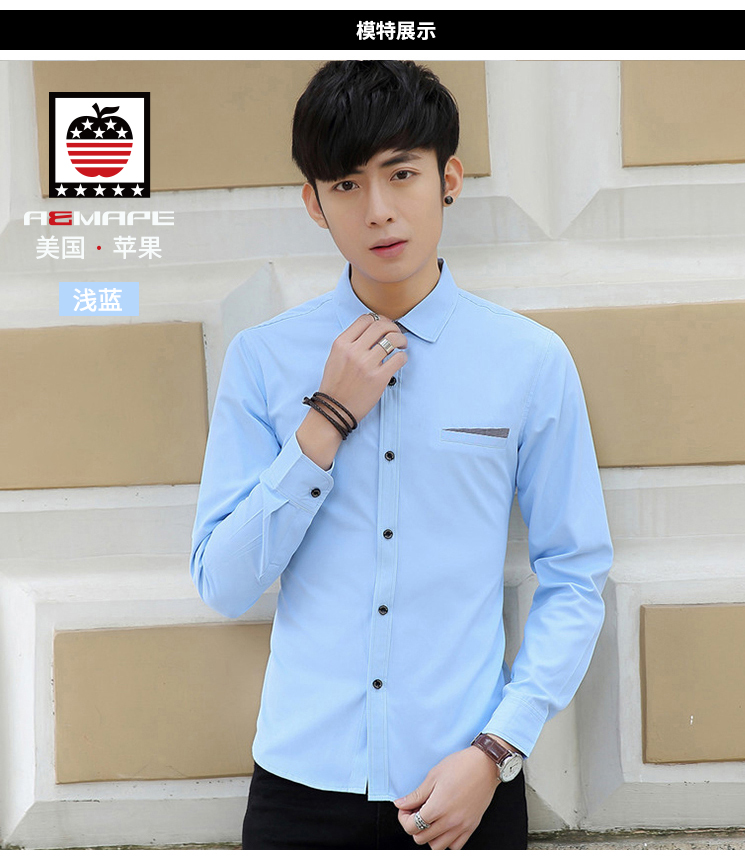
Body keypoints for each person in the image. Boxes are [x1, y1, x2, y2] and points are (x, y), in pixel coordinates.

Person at [190, 60, 613, 850]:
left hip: (465, 785)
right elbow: (224, 582)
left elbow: (575, 575)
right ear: (314, 203)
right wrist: (326, 419)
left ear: (448, 179)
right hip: (298, 789)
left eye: (402, 173)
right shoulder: (264, 360)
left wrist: (498, 750)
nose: (379, 210)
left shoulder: (528, 361)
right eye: (347, 185)